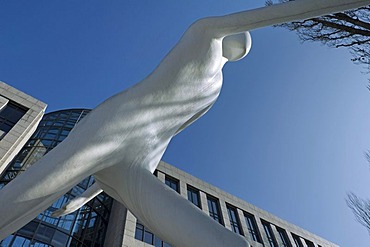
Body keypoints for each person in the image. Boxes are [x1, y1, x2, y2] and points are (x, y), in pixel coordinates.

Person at [1, 1, 369, 246]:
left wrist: (89, 193)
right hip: (113, 126)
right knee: (16, 201)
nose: (242, 37)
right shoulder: (205, 34)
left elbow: (168, 134)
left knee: (226, 243)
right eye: (242, 34)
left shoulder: (214, 89)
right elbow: (273, 15)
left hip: (139, 156)